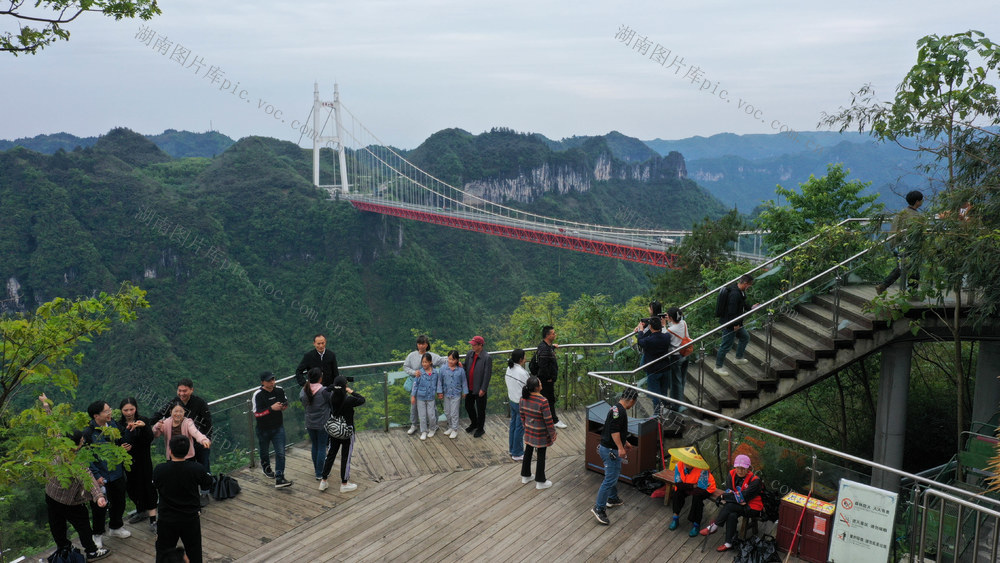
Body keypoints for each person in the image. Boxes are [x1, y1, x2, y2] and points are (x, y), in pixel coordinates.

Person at [40, 393, 111, 561]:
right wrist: (99, 496)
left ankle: (64, 546)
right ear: (78, 444)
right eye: (81, 441)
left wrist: (45, 406)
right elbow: (89, 479)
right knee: (83, 525)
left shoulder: (57, 444)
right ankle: (92, 551)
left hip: (50, 495)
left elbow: (52, 425)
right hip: (69, 501)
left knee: (56, 523)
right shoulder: (77, 463)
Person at [152, 435, 214, 563]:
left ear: (170, 451)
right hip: (190, 518)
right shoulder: (196, 468)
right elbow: (207, 483)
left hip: (167, 519)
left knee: (163, 552)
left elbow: (155, 485)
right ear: (188, 451)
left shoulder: (160, 469)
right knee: (194, 551)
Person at [83, 400, 131, 545]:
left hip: (116, 472)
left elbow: (118, 445)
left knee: (119, 501)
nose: (110, 413)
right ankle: (97, 534)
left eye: (110, 410)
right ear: (96, 416)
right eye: (106, 411)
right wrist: (96, 476)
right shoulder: (89, 433)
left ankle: (116, 527)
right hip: (101, 476)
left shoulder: (113, 425)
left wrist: (123, 449)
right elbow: (87, 458)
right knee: (99, 507)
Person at [157, 378, 212, 505]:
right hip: (180, 449)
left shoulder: (199, 403)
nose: (182, 393)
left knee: (203, 467)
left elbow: (206, 424)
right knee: (184, 474)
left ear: (191, 390)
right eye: (180, 390)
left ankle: (205, 492)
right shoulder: (174, 404)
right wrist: (149, 424)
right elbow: (158, 417)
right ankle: (185, 496)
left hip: (199, 442)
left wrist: (206, 439)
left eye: (185, 391)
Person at [591, 388, 639, 525]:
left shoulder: (615, 409)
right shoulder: (621, 412)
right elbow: (614, 431)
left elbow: (613, 429)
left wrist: (626, 442)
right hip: (611, 450)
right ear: (632, 400)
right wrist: (620, 448)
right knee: (610, 478)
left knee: (612, 474)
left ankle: (612, 498)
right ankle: (599, 507)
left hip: (606, 448)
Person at [700, 454, 764, 553]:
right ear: (735, 467)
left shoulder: (755, 481)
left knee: (729, 506)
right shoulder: (731, 474)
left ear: (749, 468)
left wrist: (725, 497)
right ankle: (728, 543)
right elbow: (730, 492)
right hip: (737, 505)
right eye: (738, 467)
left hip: (752, 507)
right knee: (731, 514)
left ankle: (714, 526)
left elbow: (743, 497)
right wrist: (733, 497)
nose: (740, 470)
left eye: (743, 468)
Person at [119, 398, 158, 534]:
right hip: (128, 463)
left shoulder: (143, 420)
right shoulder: (119, 425)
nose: (129, 413)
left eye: (131, 409)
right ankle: (141, 511)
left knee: (148, 487)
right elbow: (116, 442)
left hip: (143, 461)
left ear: (136, 408)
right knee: (132, 487)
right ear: (121, 411)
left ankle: (153, 519)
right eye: (126, 410)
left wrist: (143, 427)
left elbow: (149, 439)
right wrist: (121, 448)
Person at [320, 375, 365, 493]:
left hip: (334, 431)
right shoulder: (349, 400)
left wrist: (334, 386)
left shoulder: (330, 396)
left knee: (331, 454)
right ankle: (344, 483)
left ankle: (323, 481)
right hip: (347, 432)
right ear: (345, 386)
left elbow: (325, 390)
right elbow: (362, 399)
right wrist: (351, 391)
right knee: (346, 457)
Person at [876, 190, 924, 294]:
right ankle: (912, 293)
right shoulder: (917, 217)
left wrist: (894, 245)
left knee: (901, 267)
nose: (922, 202)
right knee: (913, 270)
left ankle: (883, 285)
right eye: (921, 200)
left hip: (897, 245)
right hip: (911, 246)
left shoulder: (901, 213)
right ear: (917, 202)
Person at [252, 371, 292, 488]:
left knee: (281, 453)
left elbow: (285, 402)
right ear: (262, 382)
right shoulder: (258, 395)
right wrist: (271, 408)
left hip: (278, 427)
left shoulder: (279, 390)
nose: (272, 382)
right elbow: (257, 414)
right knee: (264, 451)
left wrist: (283, 406)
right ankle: (266, 468)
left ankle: (279, 477)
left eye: (273, 379)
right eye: (269, 380)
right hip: (263, 429)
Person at [667, 446, 717, 537]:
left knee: (697, 498)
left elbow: (700, 488)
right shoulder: (679, 465)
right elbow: (678, 484)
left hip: (706, 488)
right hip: (690, 485)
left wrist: (689, 487)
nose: (686, 462)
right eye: (685, 459)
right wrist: (692, 486)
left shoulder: (702, 469)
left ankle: (696, 523)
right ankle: (675, 517)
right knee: (677, 492)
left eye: (689, 460)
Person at [518, 375, 556, 490]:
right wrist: (553, 434)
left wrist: (526, 427)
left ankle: (526, 475)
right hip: (540, 433)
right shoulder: (543, 401)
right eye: (540, 384)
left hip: (529, 430)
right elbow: (548, 421)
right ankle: (540, 481)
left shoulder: (523, 399)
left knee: (528, 451)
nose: (541, 385)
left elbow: (522, 416)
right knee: (541, 454)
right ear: (536, 388)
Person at [403, 335, 445, 435]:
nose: (420, 346)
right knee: (414, 406)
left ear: (427, 345)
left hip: (429, 386)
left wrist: (441, 374)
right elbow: (405, 366)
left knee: (432, 408)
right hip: (416, 384)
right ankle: (414, 425)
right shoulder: (412, 355)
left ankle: (433, 425)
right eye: (419, 344)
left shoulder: (432, 356)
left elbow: (444, 362)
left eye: (422, 344)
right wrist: (414, 372)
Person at [714, 274, 755, 376]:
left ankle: (738, 358)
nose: (749, 287)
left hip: (736, 323)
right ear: (745, 283)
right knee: (726, 346)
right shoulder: (734, 294)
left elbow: (742, 304)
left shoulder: (739, 291)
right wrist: (735, 324)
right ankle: (718, 367)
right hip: (730, 324)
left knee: (745, 337)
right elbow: (732, 312)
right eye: (749, 285)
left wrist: (751, 307)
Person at [636, 317, 673, 415]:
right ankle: (665, 408)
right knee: (663, 391)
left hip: (653, 370)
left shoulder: (648, 341)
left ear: (651, 327)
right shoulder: (667, 337)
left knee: (655, 394)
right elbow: (659, 333)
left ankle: (657, 414)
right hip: (665, 367)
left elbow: (640, 341)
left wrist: (641, 330)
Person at [300, 367, 333, 480]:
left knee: (315, 446)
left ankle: (317, 471)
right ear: (320, 378)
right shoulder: (324, 391)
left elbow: (302, 401)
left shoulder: (304, 390)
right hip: (322, 424)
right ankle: (320, 473)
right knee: (322, 447)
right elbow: (332, 401)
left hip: (309, 423)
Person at [534, 326, 566, 429]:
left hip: (545, 379)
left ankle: (545, 419)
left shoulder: (544, 346)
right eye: (553, 333)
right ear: (548, 335)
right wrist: (549, 377)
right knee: (549, 400)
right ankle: (554, 420)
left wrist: (553, 347)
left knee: (546, 399)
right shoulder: (544, 349)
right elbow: (543, 366)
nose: (555, 335)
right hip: (546, 380)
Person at [463, 335, 492, 438]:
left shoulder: (486, 357)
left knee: (480, 409)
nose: (472, 346)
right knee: (468, 406)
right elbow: (466, 366)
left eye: (474, 345)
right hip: (469, 386)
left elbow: (487, 374)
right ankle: (474, 423)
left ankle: (480, 428)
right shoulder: (470, 354)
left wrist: (483, 388)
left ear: (480, 345)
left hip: (479, 388)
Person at [663, 307, 691, 411]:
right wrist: (670, 320)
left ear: (670, 317)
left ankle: (677, 405)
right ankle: (680, 401)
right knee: (682, 379)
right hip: (686, 353)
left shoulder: (670, 330)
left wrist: (663, 325)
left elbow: (665, 336)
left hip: (676, 356)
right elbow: (676, 326)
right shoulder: (683, 323)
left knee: (676, 382)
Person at [505, 349, 530, 461]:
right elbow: (529, 386)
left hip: (512, 400)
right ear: (521, 359)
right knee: (520, 428)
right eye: (524, 357)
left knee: (513, 426)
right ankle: (517, 453)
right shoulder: (522, 372)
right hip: (521, 403)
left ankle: (512, 449)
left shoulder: (509, 369)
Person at [438, 350, 468, 439]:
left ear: (457, 360)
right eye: (449, 359)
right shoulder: (443, 369)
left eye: (453, 359)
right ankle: (450, 426)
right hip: (446, 393)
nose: (451, 361)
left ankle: (455, 429)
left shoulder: (461, 370)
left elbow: (464, 381)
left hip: (456, 394)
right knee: (447, 411)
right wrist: (440, 392)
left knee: (454, 413)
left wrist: (465, 391)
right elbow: (440, 381)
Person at [410, 353, 440, 440]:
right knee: (422, 416)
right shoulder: (419, 373)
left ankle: (432, 428)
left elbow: (438, 384)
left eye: (426, 362)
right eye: (423, 362)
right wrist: (413, 396)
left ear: (430, 362)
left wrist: (439, 392)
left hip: (431, 397)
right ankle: (423, 431)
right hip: (420, 397)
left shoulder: (435, 373)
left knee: (431, 415)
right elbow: (415, 385)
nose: (424, 364)